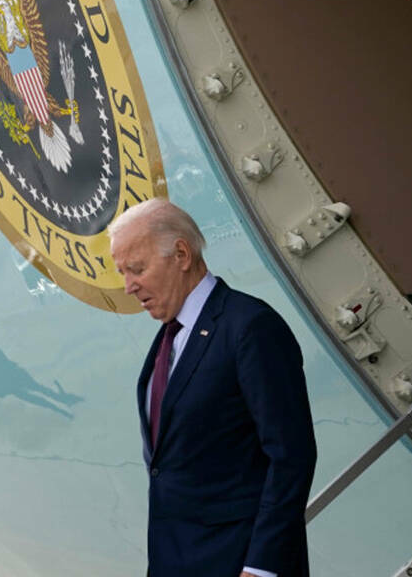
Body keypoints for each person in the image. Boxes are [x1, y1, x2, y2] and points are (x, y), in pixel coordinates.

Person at [109, 198, 317, 577]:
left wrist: (261, 567)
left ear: (182, 255)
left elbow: (291, 455)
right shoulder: (167, 342)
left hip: (239, 562)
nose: (128, 286)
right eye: (123, 272)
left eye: (136, 269)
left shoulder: (250, 328)